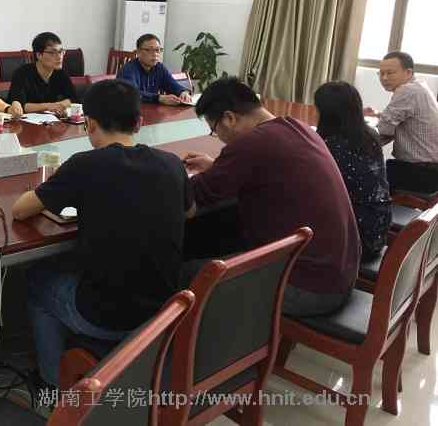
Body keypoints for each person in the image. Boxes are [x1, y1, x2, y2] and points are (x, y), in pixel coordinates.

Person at [12, 79, 194, 387]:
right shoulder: (172, 164)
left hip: (103, 315)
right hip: (161, 310)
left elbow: (20, 210)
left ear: (90, 124)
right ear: (139, 122)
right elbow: (189, 211)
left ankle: (52, 382)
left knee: (37, 279)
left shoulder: (84, 165)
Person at [184, 78, 360, 317]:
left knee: (189, 274)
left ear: (229, 118)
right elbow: (263, 167)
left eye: (214, 130)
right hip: (339, 273)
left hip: (308, 288)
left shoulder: (250, 145)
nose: (218, 136)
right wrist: (219, 167)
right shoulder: (297, 127)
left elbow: (192, 195)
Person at [315, 81, 390, 262]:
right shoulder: (370, 136)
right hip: (377, 231)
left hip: (355, 243)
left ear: (327, 114)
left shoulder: (331, 146)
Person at [375, 51, 438, 194]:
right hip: (430, 170)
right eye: (381, 73)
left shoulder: (407, 90)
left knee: (362, 175)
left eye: (390, 73)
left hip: (421, 173)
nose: (384, 78)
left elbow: (384, 129)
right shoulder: (420, 86)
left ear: (408, 72)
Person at [7, 32, 78, 115]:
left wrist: (57, 105)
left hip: (52, 120)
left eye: (61, 51)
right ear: (39, 55)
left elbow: (74, 99)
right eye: (52, 53)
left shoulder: (60, 73)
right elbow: (20, 105)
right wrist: (49, 106)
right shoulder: (22, 73)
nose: (59, 57)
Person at [117, 33, 192, 105]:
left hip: (152, 110)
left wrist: (183, 92)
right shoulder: (128, 69)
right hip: (132, 111)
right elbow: (131, 94)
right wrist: (159, 98)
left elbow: (173, 85)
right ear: (138, 52)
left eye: (157, 50)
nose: (155, 54)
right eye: (149, 50)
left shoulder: (159, 68)